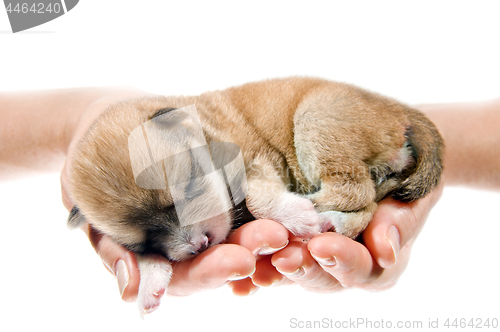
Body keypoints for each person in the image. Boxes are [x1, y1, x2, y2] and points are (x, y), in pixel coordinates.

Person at [1, 87, 498, 301]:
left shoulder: (195, 136)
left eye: (181, 203)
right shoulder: (177, 143)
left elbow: (252, 170)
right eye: (149, 239)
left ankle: (359, 191)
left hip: (317, 121)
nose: (188, 245)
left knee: (322, 137)